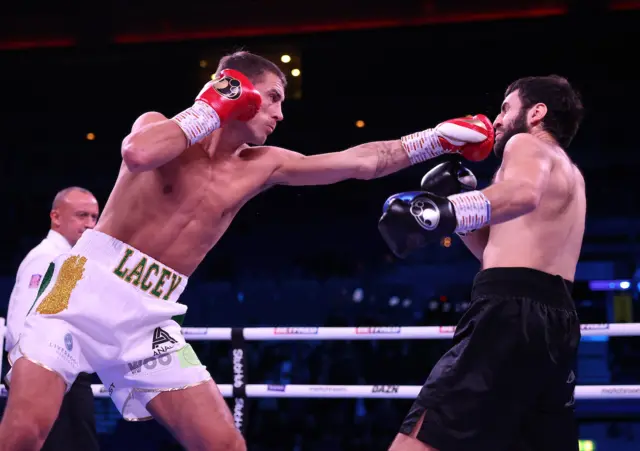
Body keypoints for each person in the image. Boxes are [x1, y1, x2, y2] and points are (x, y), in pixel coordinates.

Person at [0, 51, 494, 451]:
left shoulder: (264, 164)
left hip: (148, 317)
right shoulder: (160, 126)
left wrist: (436, 139)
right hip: (80, 291)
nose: (281, 113)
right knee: (23, 435)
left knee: (224, 446)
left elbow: (358, 162)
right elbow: (138, 154)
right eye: (273, 98)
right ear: (241, 89)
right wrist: (213, 105)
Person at [378, 75, 585, 450]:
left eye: (506, 107)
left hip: (506, 314)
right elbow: (491, 251)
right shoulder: (571, 172)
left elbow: (522, 194)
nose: (498, 120)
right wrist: (462, 201)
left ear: (536, 113)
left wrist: (443, 209)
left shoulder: (526, 145)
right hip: (557, 322)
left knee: (422, 438)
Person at [5, 186, 100, 451]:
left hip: (67, 373)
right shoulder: (46, 258)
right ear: (56, 217)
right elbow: (21, 322)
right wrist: (25, 378)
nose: (89, 225)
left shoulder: (74, 260)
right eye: (81, 215)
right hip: (46, 374)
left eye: (94, 217)